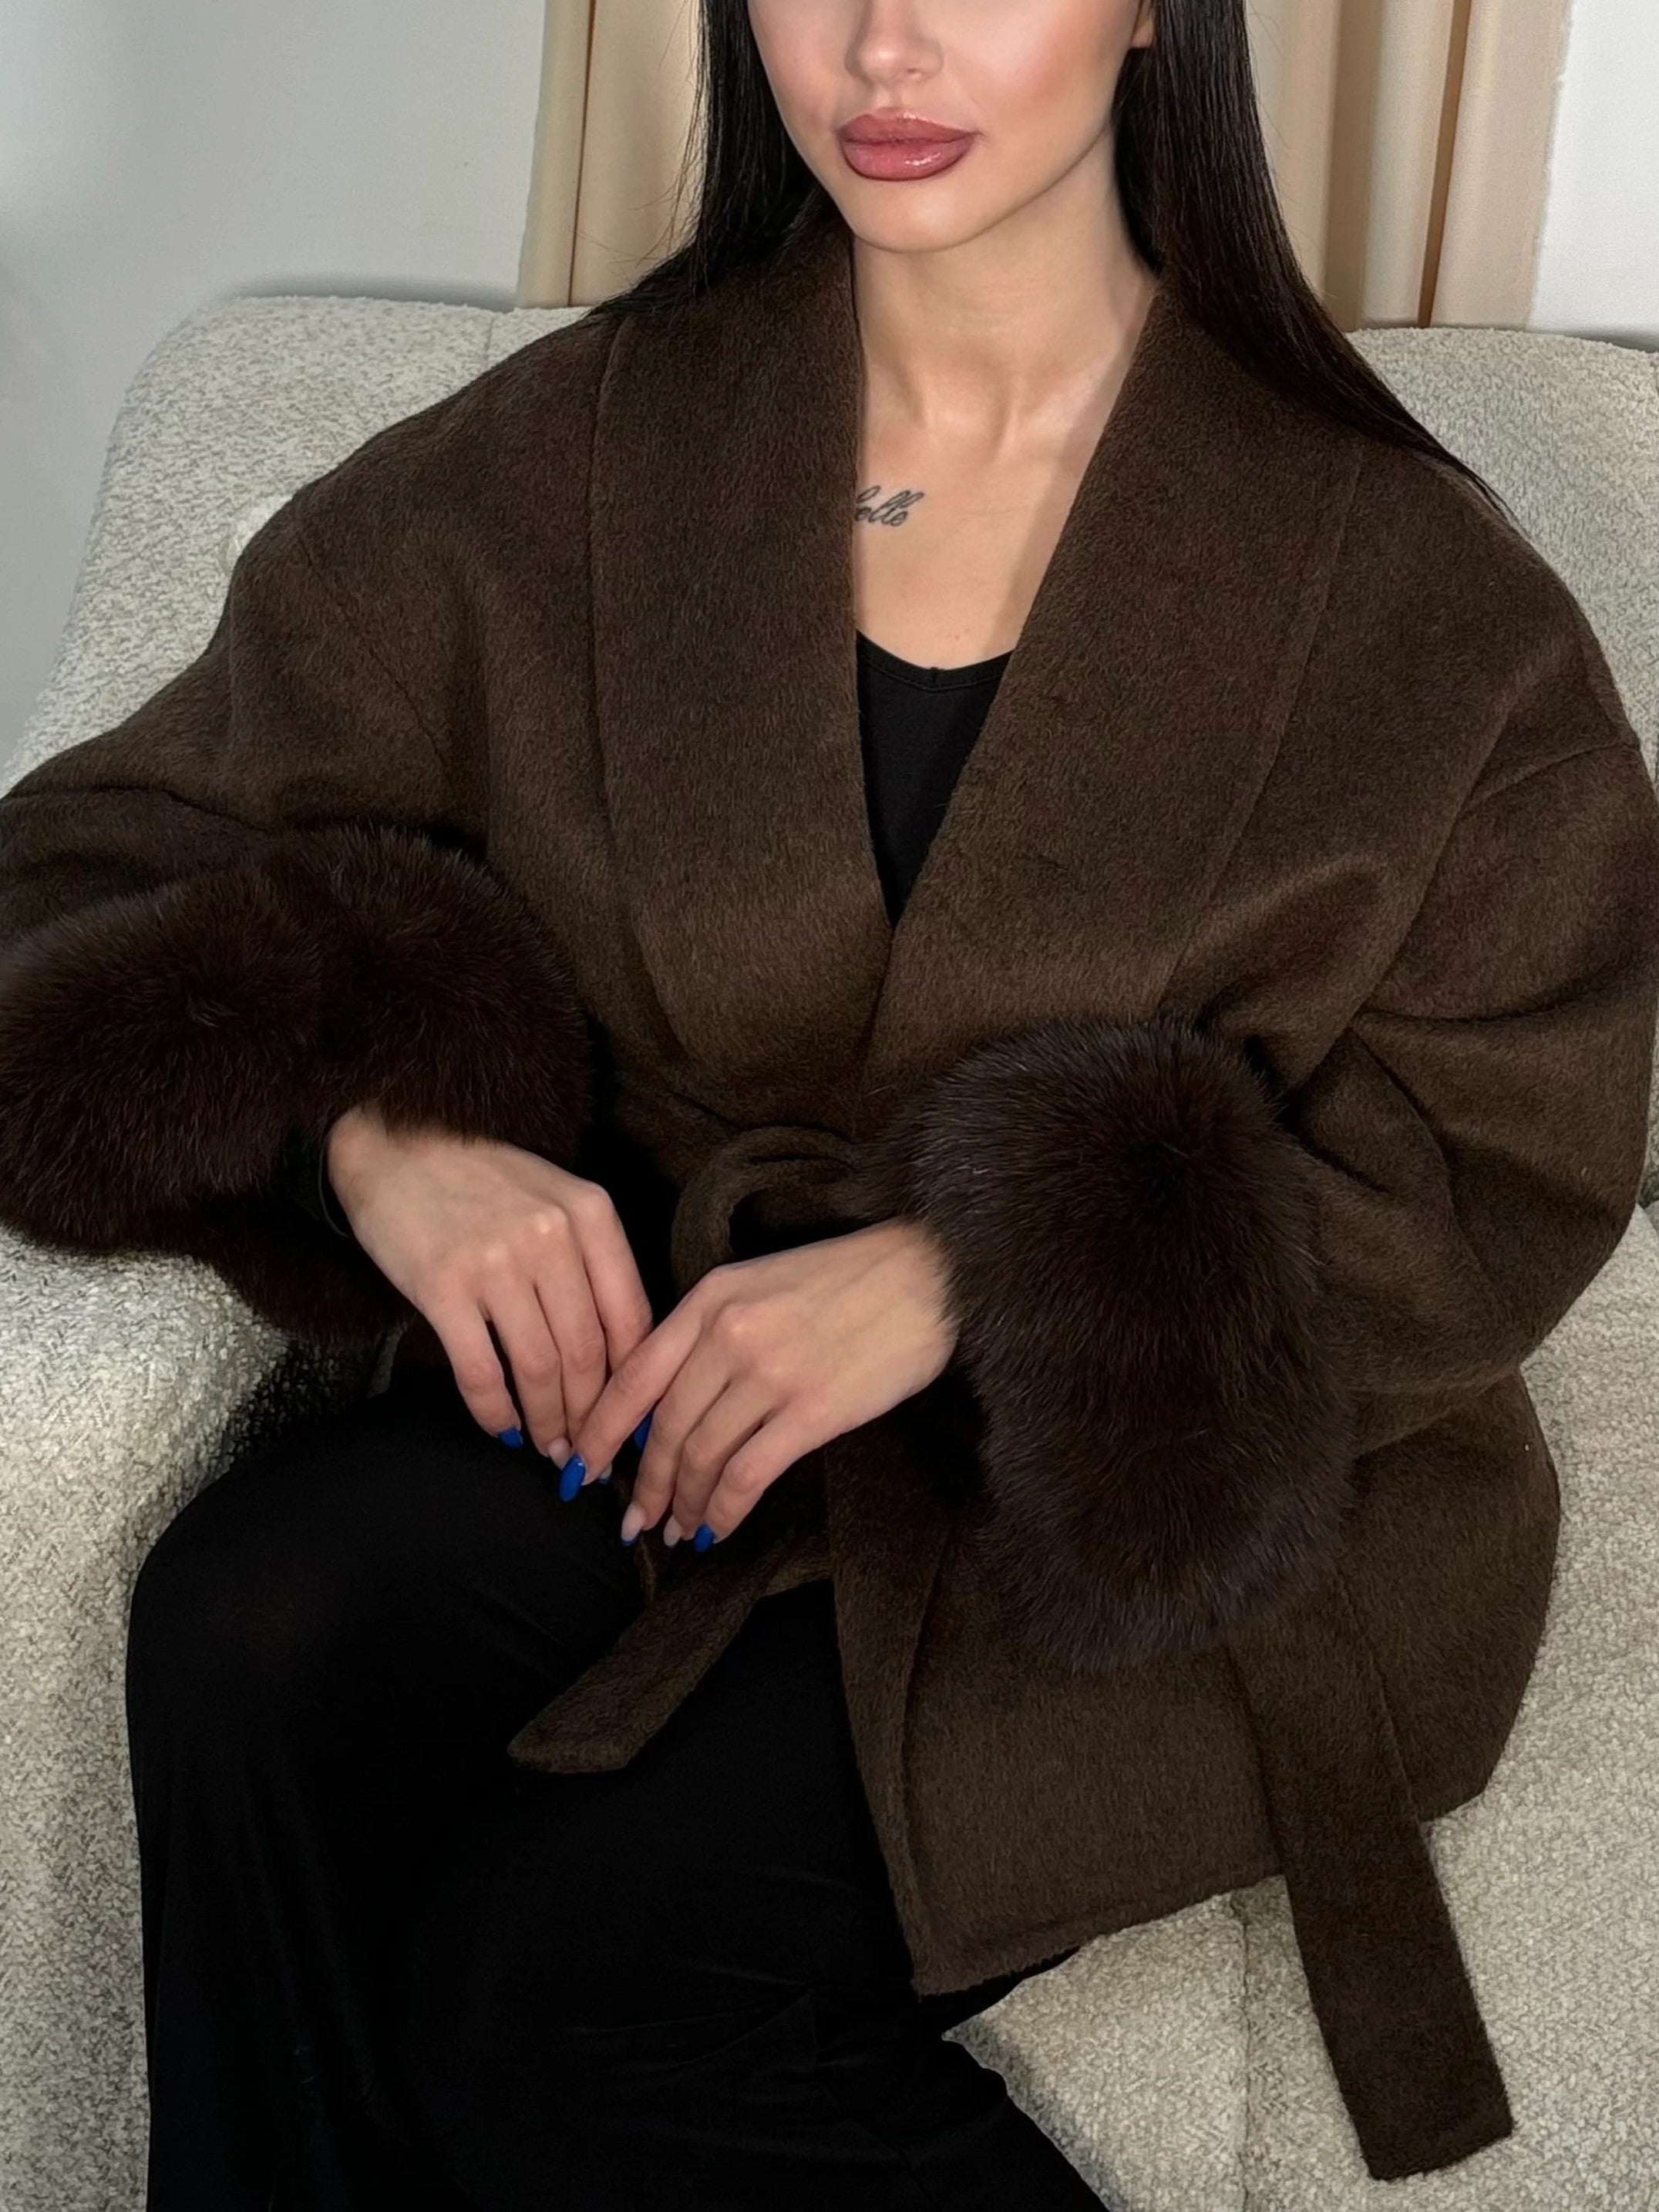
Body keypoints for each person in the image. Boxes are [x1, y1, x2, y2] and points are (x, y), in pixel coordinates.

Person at [3, 2, 1657, 2207]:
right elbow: (76, 877)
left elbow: (1514, 1148)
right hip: (679, 1394)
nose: (884, 42)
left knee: (564, 2000)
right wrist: (370, 1129)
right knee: (256, 1623)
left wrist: (985, 1267)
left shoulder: (1421, 602)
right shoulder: (576, 461)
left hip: (1171, 1476)